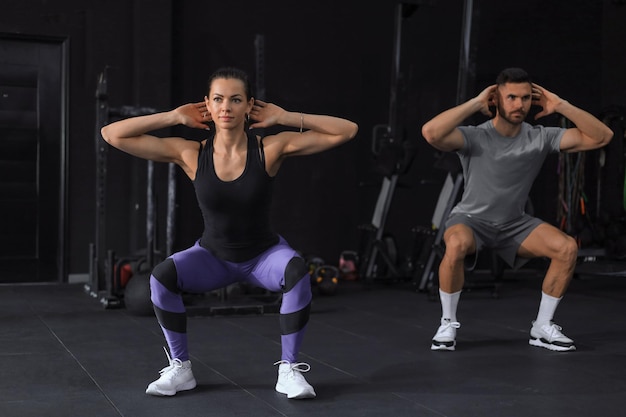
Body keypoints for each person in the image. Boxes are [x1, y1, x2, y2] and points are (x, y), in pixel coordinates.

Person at [101, 67, 358, 398]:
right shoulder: (191, 153)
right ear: (206, 104)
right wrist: (172, 116)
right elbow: (112, 134)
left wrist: (287, 115)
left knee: (296, 270)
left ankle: (289, 370)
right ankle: (181, 368)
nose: (226, 108)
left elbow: (347, 131)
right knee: (162, 277)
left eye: (236, 100)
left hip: (264, 256)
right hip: (213, 256)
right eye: (218, 99)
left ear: (249, 106)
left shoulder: (270, 148)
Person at [421, 67, 613, 352]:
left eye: (525, 98)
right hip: (471, 221)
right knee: (457, 243)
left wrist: (561, 105)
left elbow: (602, 137)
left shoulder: (541, 137)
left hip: (514, 224)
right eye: (511, 97)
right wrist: (476, 103)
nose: (518, 104)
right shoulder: (474, 137)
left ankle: (542, 327)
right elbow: (431, 133)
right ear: (496, 99)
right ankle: (447, 322)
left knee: (567, 248)